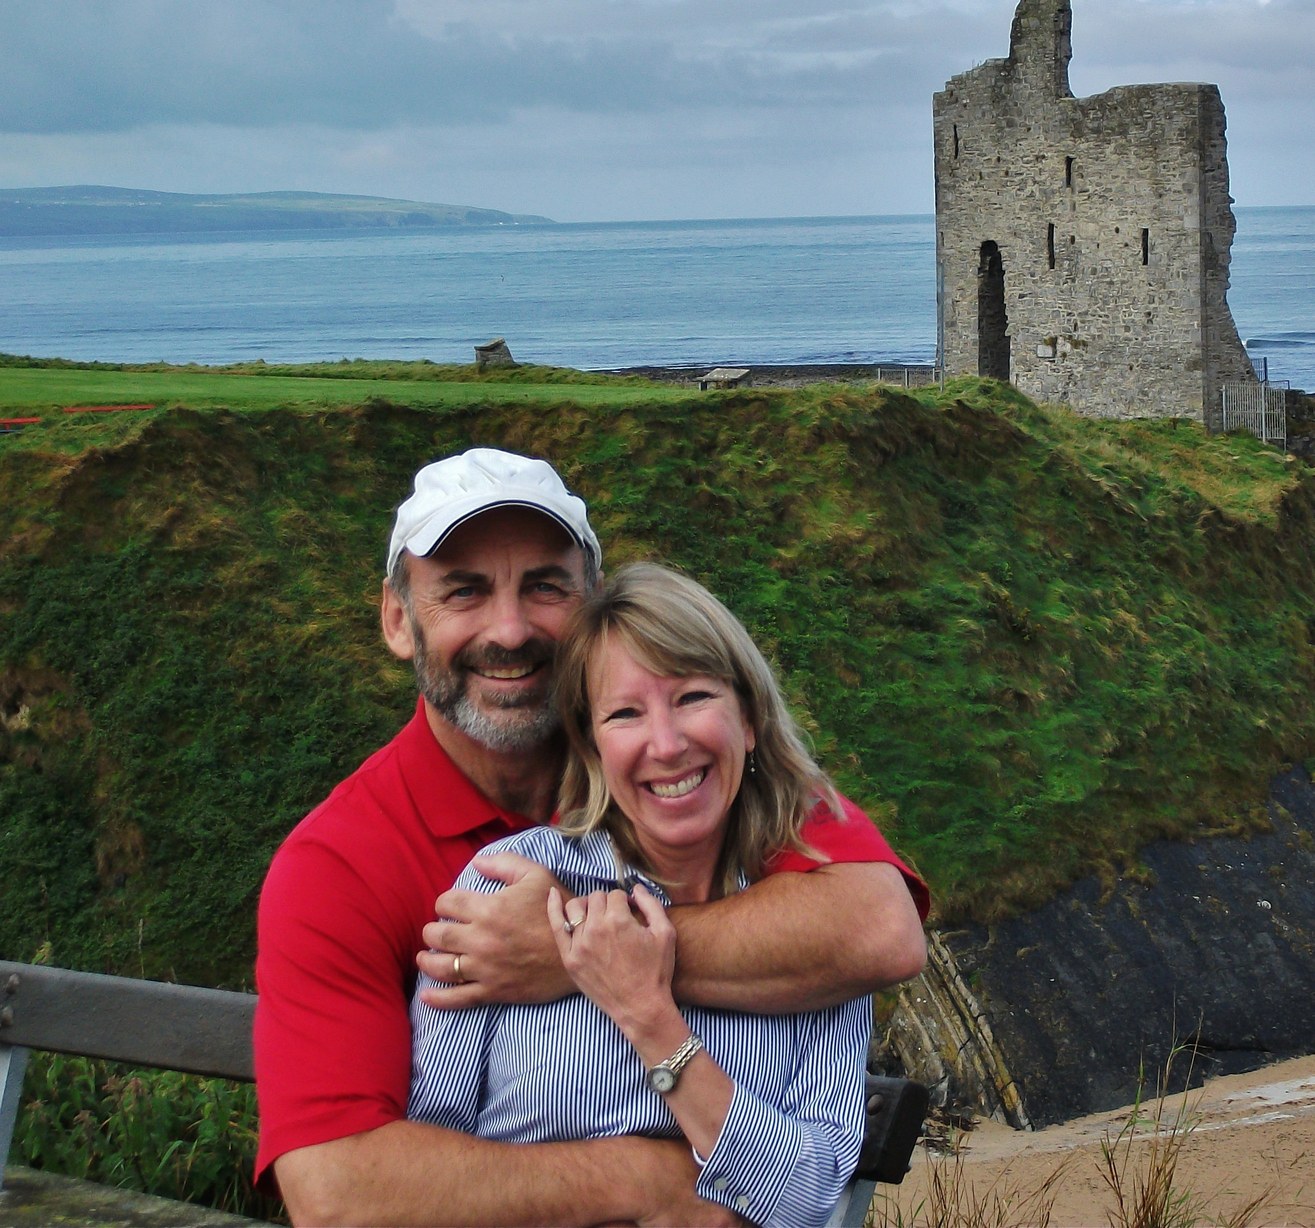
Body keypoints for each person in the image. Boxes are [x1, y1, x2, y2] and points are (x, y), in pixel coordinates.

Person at [255, 449, 929, 1227]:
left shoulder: (721, 786)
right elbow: (339, 1196)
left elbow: (878, 931)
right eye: (463, 592)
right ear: (399, 620)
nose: (509, 629)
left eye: (544, 586)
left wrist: (580, 952)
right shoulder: (341, 864)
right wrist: (651, 1182)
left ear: (592, 601)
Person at [410, 564, 870, 1228]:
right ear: (592, 746)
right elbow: (430, 1154)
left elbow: (812, 1199)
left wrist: (651, 1021)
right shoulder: (505, 883)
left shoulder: (814, 919)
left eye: (692, 698)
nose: (666, 743)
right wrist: (634, 1183)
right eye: (625, 713)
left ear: (748, 719)